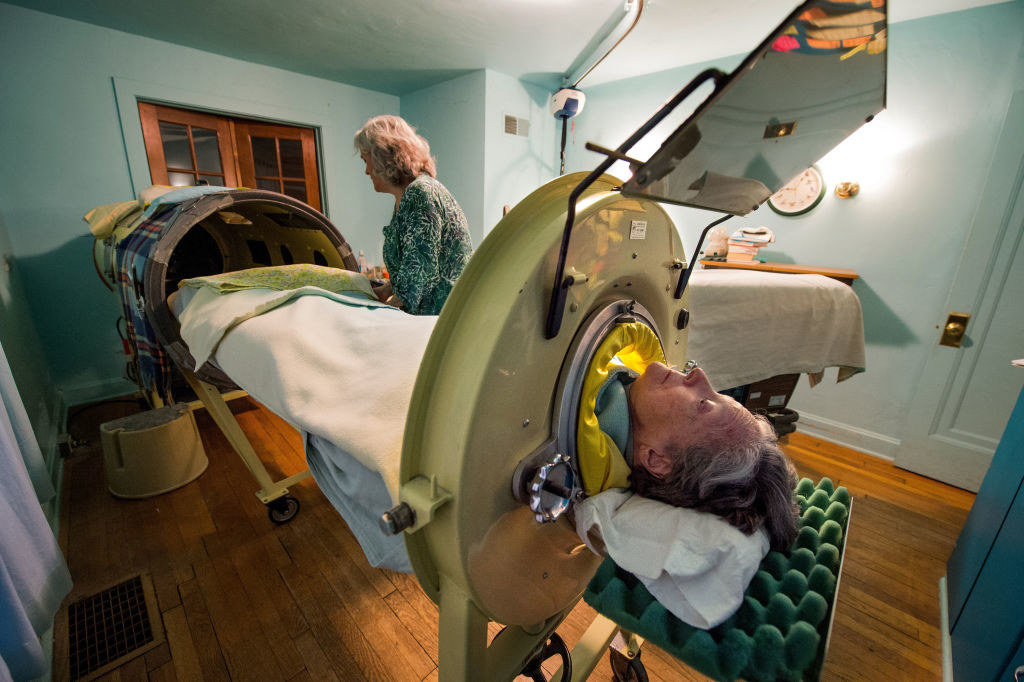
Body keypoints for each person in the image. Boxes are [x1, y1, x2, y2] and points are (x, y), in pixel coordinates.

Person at [595, 361, 799, 552]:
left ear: (656, 460)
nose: (698, 374)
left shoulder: (578, 416)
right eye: (717, 394)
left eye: (703, 402)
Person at [353, 115, 473, 315]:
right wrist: (385, 290)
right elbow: (409, 267)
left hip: (442, 319)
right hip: (428, 316)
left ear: (383, 157)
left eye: (366, 161)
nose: (366, 171)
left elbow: (419, 275)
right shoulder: (406, 197)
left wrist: (378, 311)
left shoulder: (421, 193)